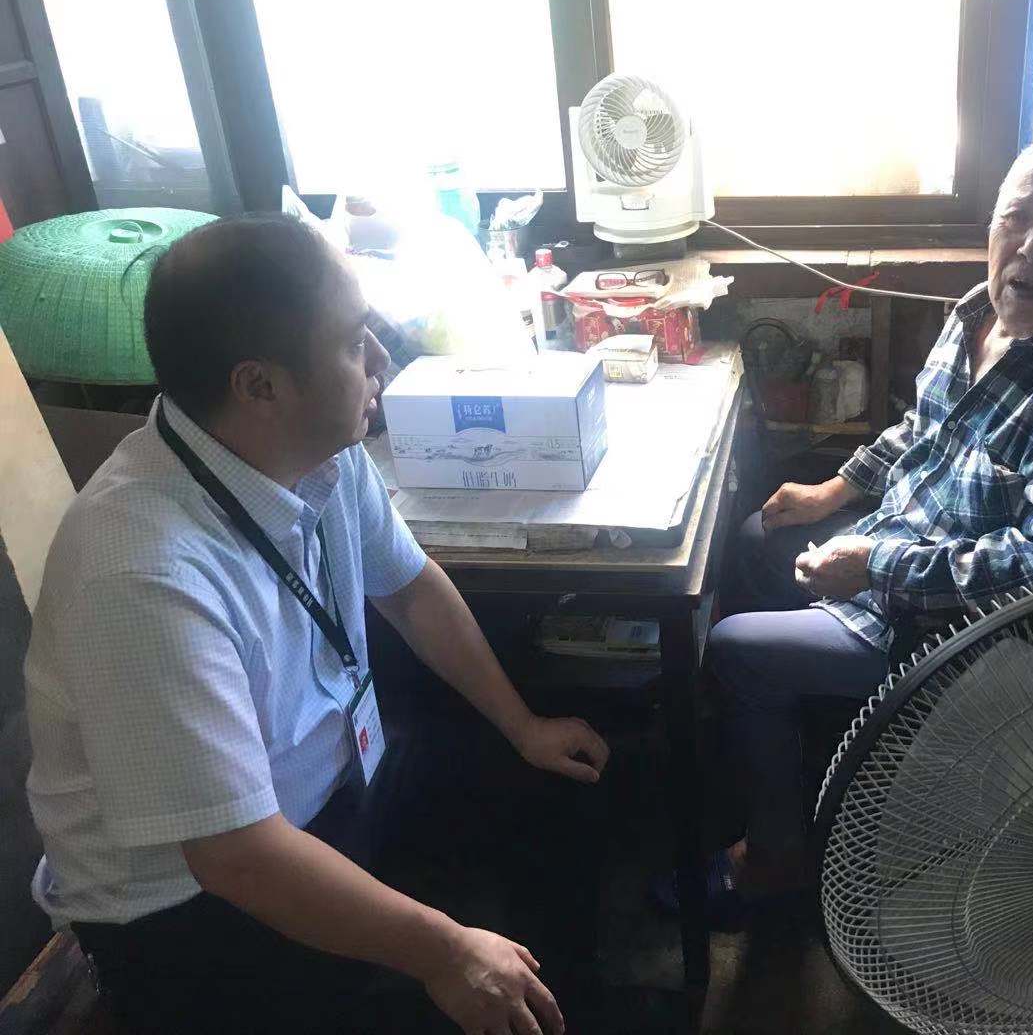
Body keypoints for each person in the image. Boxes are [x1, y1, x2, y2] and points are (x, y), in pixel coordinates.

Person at [24, 214, 610, 1034]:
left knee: (564, 793)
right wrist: (447, 953)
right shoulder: (138, 572)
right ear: (260, 386)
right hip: (190, 906)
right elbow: (236, 856)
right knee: (427, 995)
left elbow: (412, 589)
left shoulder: (320, 449)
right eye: (353, 341)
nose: (380, 360)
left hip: (330, 784)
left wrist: (523, 728)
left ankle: (550, 999)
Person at [709, 135, 1033, 901]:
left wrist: (871, 566)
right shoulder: (980, 310)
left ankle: (775, 860)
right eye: (1016, 218)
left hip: (949, 629)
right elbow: (922, 431)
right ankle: (806, 760)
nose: (1031, 247)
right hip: (897, 537)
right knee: (757, 536)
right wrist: (832, 492)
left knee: (736, 652)